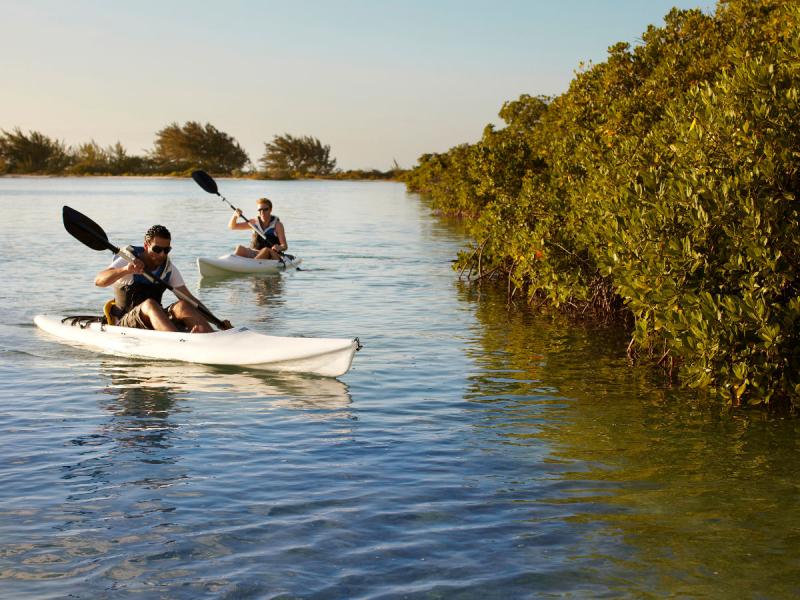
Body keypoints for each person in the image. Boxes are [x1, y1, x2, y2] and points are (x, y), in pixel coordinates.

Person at [95, 224, 227, 333]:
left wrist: (218, 322)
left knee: (183, 305)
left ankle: (213, 337)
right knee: (150, 304)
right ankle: (178, 342)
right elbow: (99, 281)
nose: (162, 254)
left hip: (153, 320)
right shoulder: (128, 260)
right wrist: (126, 270)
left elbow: (190, 299)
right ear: (146, 246)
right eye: (157, 249)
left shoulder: (168, 269)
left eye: (166, 250)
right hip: (125, 323)